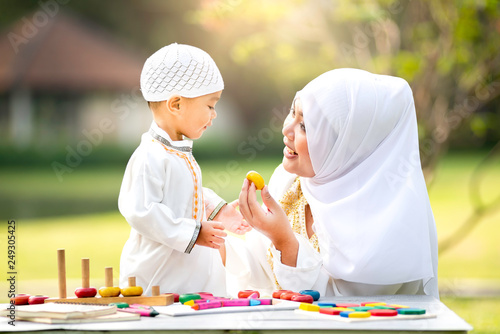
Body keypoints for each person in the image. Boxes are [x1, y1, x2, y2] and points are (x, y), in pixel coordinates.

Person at [225, 68, 439, 299]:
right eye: (292, 113)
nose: (286, 129)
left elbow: (345, 308)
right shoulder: (289, 183)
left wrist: (285, 242)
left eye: (305, 126)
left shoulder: (390, 221)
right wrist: (210, 230)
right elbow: (259, 274)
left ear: (346, 147)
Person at [118, 43, 249, 296]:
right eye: (210, 105)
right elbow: (142, 211)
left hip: (189, 273)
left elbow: (188, 191)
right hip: (158, 279)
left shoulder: (177, 152)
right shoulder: (150, 156)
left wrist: (218, 210)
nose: (215, 114)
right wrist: (195, 232)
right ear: (176, 105)